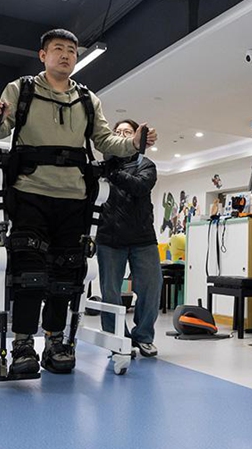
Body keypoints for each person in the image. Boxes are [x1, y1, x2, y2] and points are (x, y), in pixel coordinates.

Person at [0, 29, 157, 376]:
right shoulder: (22, 89)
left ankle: (56, 341)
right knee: (29, 272)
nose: (66, 55)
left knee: (66, 273)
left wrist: (134, 143)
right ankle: (22, 344)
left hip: (74, 196)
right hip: (31, 191)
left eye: (72, 51)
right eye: (58, 49)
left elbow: (106, 141)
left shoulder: (89, 100)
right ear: (42, 55)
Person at [97, 119, 162, 357]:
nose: (122, 135)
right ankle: (117, 340)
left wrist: (112, 173)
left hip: (143, 238)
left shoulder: (147, 164)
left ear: (136, 136)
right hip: (109, 237)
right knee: (110, 292)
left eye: (127, 132)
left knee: (151, 289)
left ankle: (143, 337)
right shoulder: (102, 164)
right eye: (118, 132)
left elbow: (140, 187)